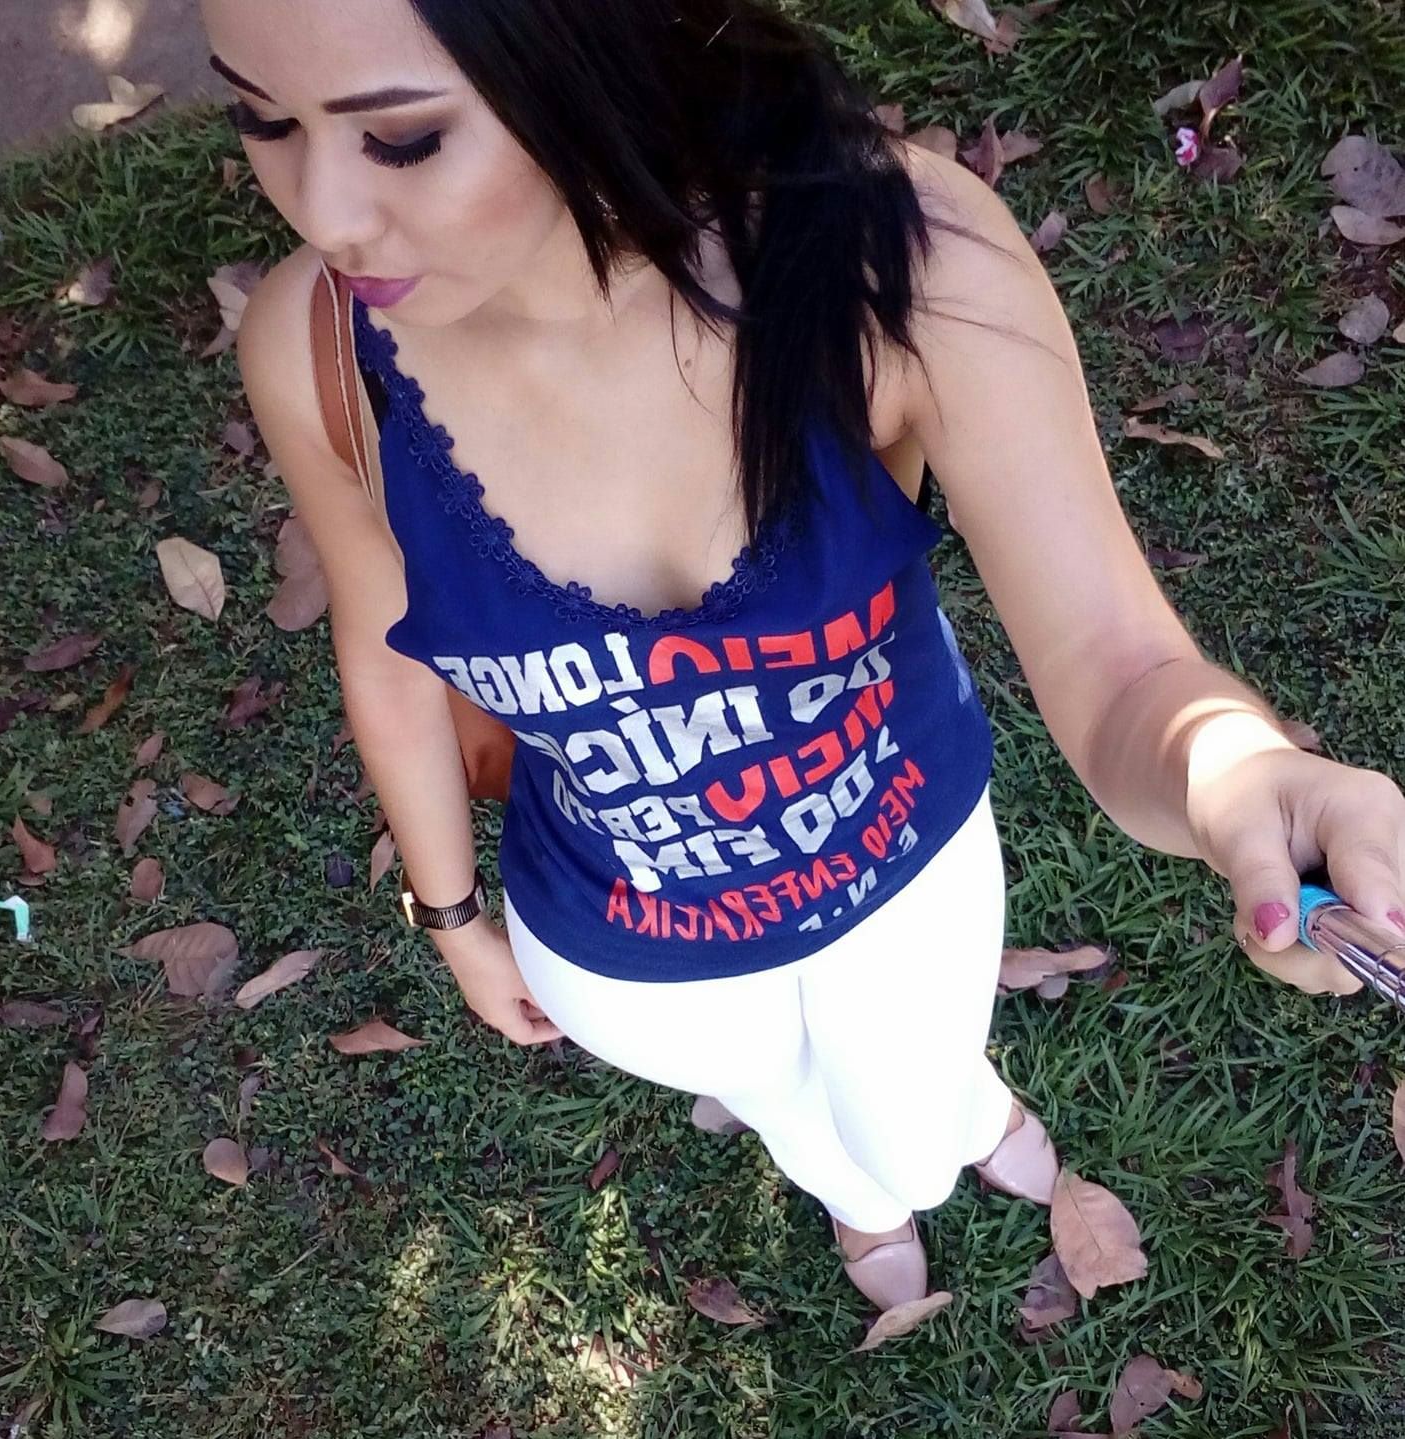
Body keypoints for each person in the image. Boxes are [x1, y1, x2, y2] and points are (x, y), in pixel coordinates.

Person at [205, 0, 1405, 1314]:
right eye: (263, 119)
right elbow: (387, 657)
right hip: (625, 952)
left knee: (918, 1121)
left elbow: (1121, 666)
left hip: (899, 874)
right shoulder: (318, 352)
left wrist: (1243, 782)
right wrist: (449, 917)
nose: (323, 214)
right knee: (795, 1111)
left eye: (403, 139)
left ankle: (952, 1119)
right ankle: (857, 1189)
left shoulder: (892, 257)